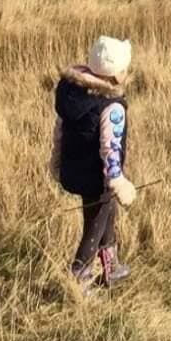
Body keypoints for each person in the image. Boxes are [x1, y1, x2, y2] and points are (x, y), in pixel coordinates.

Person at [50, 35, 137, 291]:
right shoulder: (112, 107)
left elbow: (60, 131)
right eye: (124, 68)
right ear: (116, 76)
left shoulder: (75, 94)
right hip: (96, 175)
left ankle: (111, 266)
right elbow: (110, 147)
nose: (126, 72)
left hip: (74, 168)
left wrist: (56, 161)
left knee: (106, 211)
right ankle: (80, 273)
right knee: (96, 220)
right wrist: (116, 179)